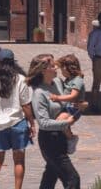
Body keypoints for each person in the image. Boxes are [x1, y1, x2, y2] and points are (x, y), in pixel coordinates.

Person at [0, 48, 36, 189]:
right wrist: (32, 123)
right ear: (13, 62)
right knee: (19, 160)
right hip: (18, 124)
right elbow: (26, 105)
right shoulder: (21, 79)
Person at [27, 54, 80, 189]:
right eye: (52, 66)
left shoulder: (57, 82)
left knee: (50, 176)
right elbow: (43, 123)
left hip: (61, 138)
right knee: (72, 179)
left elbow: (66, 101)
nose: (56, 67)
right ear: (43, 70)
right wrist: (67, 122)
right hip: (50, 141)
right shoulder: (39, 93)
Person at [48, 54, 86, 152]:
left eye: (62, 69)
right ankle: (64, 139)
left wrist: (58, 98)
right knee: (58, 121)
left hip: (74, 108)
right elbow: (57, 64)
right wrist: (55, 67)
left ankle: (71, 138)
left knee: (60, 120)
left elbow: (73, 95)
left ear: (68, 68)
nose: (61, 71)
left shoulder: (78, 80)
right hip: (67, 107)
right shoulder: (69, 79)